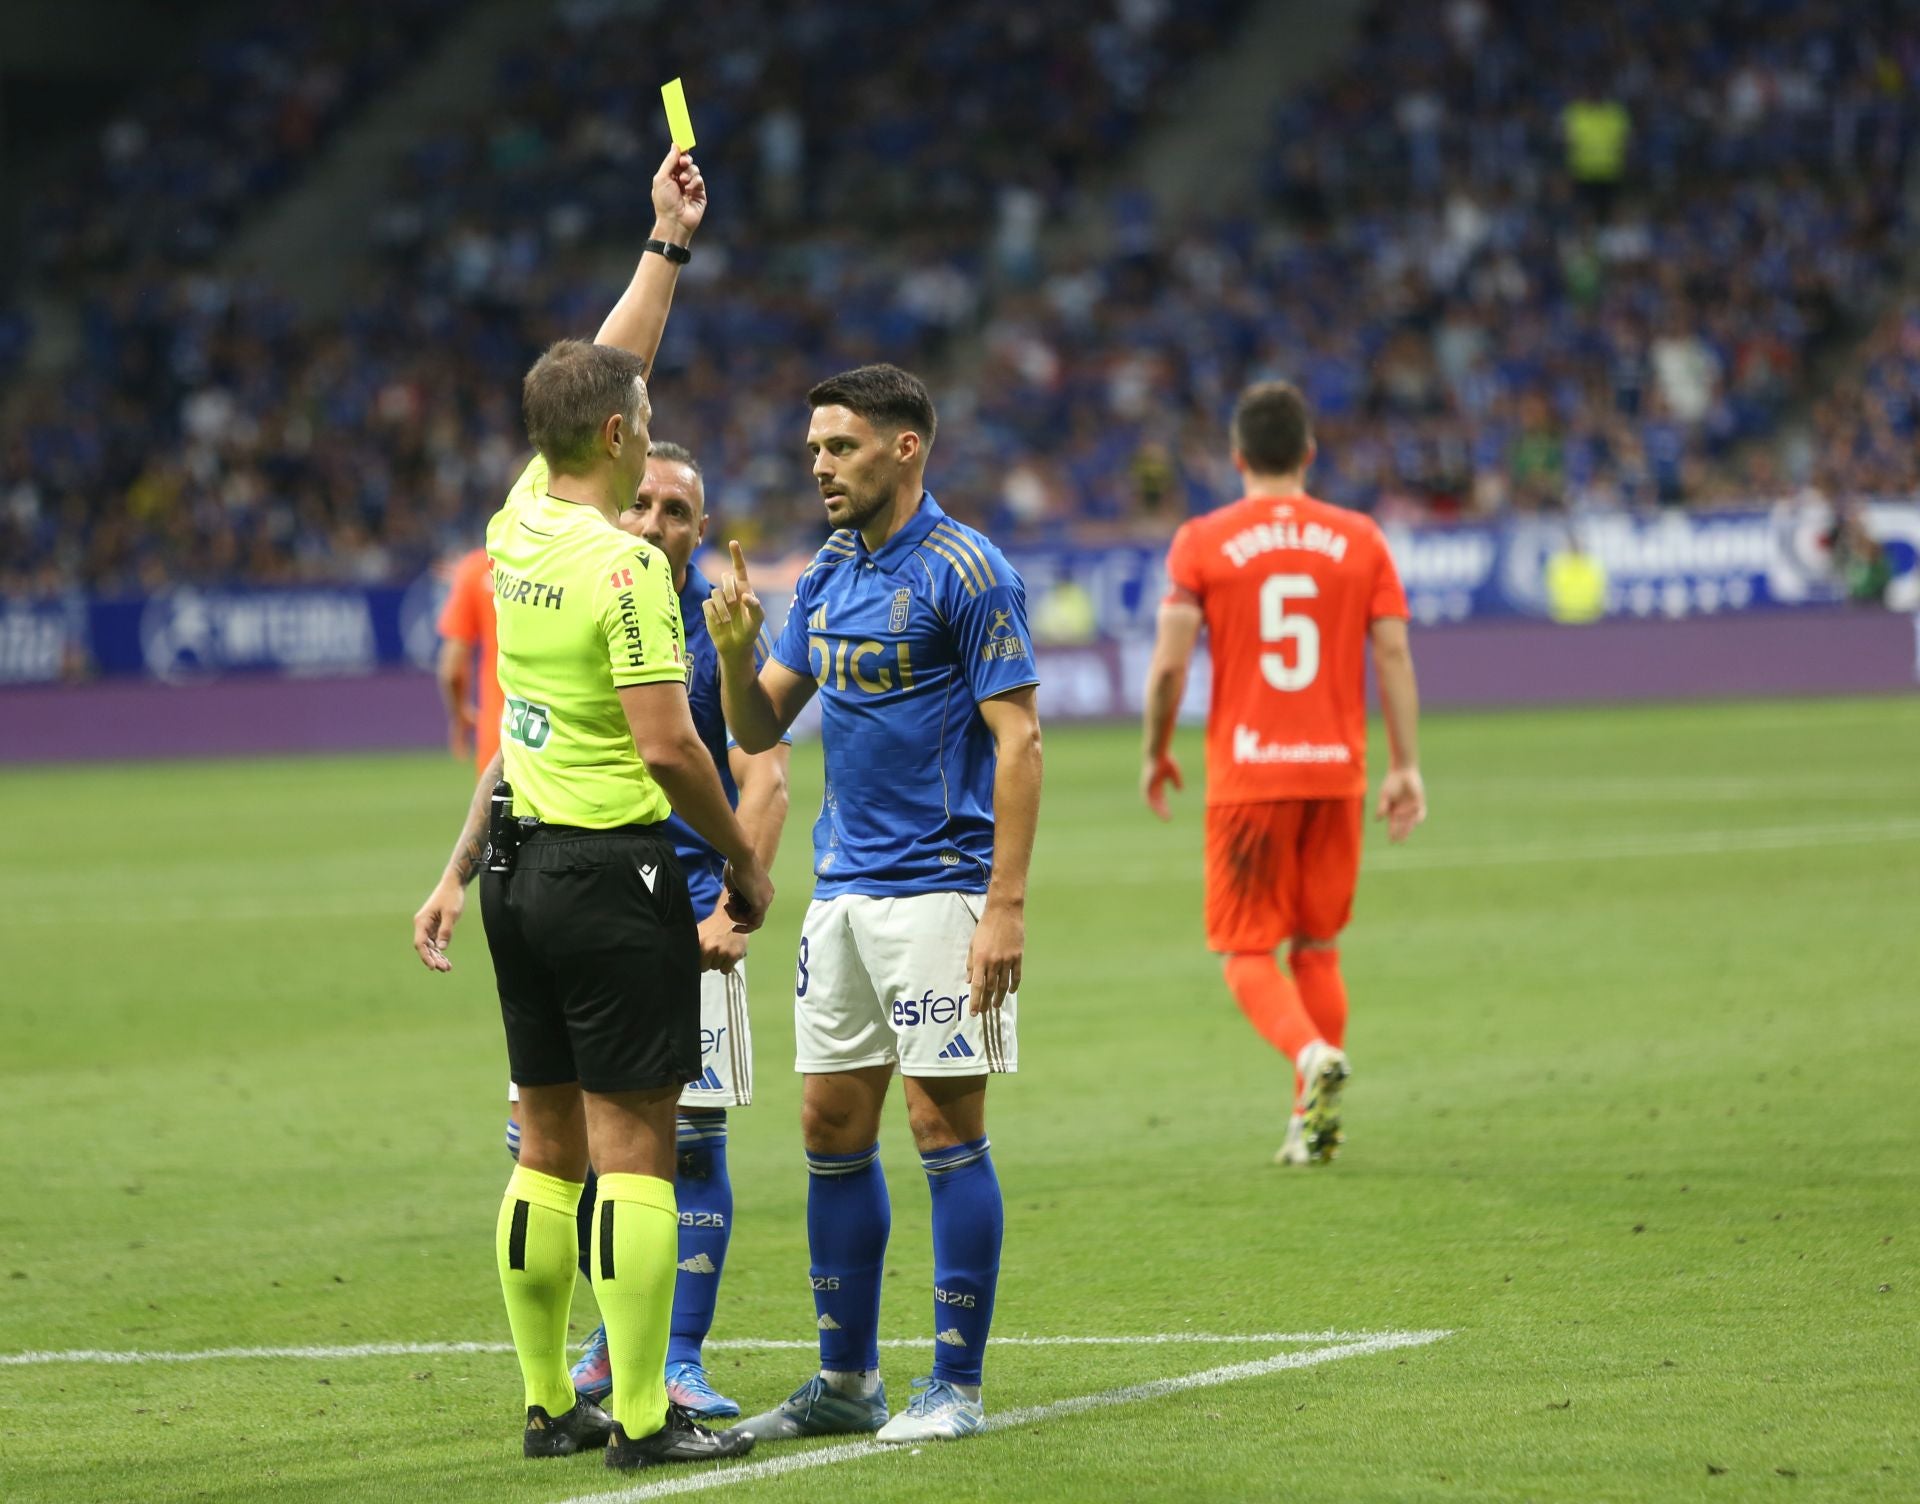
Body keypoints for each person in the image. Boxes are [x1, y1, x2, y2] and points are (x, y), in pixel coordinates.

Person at [410, 147, 768, 1470]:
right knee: (636, 1153)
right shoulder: (625, 570)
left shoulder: (514, 521)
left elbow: (611, 364)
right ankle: (645, 1418)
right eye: (640, 410)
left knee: (545, 1148)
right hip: (614, 877)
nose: (644, 405)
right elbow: (673, 749)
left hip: (515, 872)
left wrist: (665, 243)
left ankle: (545, 1400)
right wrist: (741, 862)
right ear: (619, 437)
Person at [703, 363, 1044, 1444]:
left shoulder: (968, 569)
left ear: (905, 447)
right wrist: (735, 657)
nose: (819, 466)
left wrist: (1005, 905)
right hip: (841, 894)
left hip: (941, 890)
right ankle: (846, 1380)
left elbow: (1020, 741)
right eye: (813, 449)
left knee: (944, 1124)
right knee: (829, 1124)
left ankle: (957, 1388)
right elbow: (758, 729)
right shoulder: (829, 570)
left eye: (839, 447)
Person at [546, 441, 792, 1421]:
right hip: (582, 908)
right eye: (641, 502)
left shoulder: (721, 634)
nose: (653, 523)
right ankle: (616, 1338)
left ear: (701, 530)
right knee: (574, 1145)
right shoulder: (582, 600)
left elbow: (766, 776)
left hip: (686, 912)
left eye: (677, 511)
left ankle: (677, 1356)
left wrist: (732, 907)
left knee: (689, 1146)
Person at [1139, 380, 1425, 1166]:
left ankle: (1309, 1056)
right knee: (1317, 946)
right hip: (1336, 772)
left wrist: (1156, 750)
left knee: (1244, 950)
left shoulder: (1202, 540)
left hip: (1249, 776)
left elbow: (1168, 666)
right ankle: (1310, 1123)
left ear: (1237, 457)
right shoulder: (1361, 538)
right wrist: (1405, 766)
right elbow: (1393, 652)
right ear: (1309, 453)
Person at [437, 547, 502, 772]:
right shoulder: (566, 560)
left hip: (502, 727)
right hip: (563, 727)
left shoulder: (476, 569)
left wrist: (459, 714)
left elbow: (450, 670)